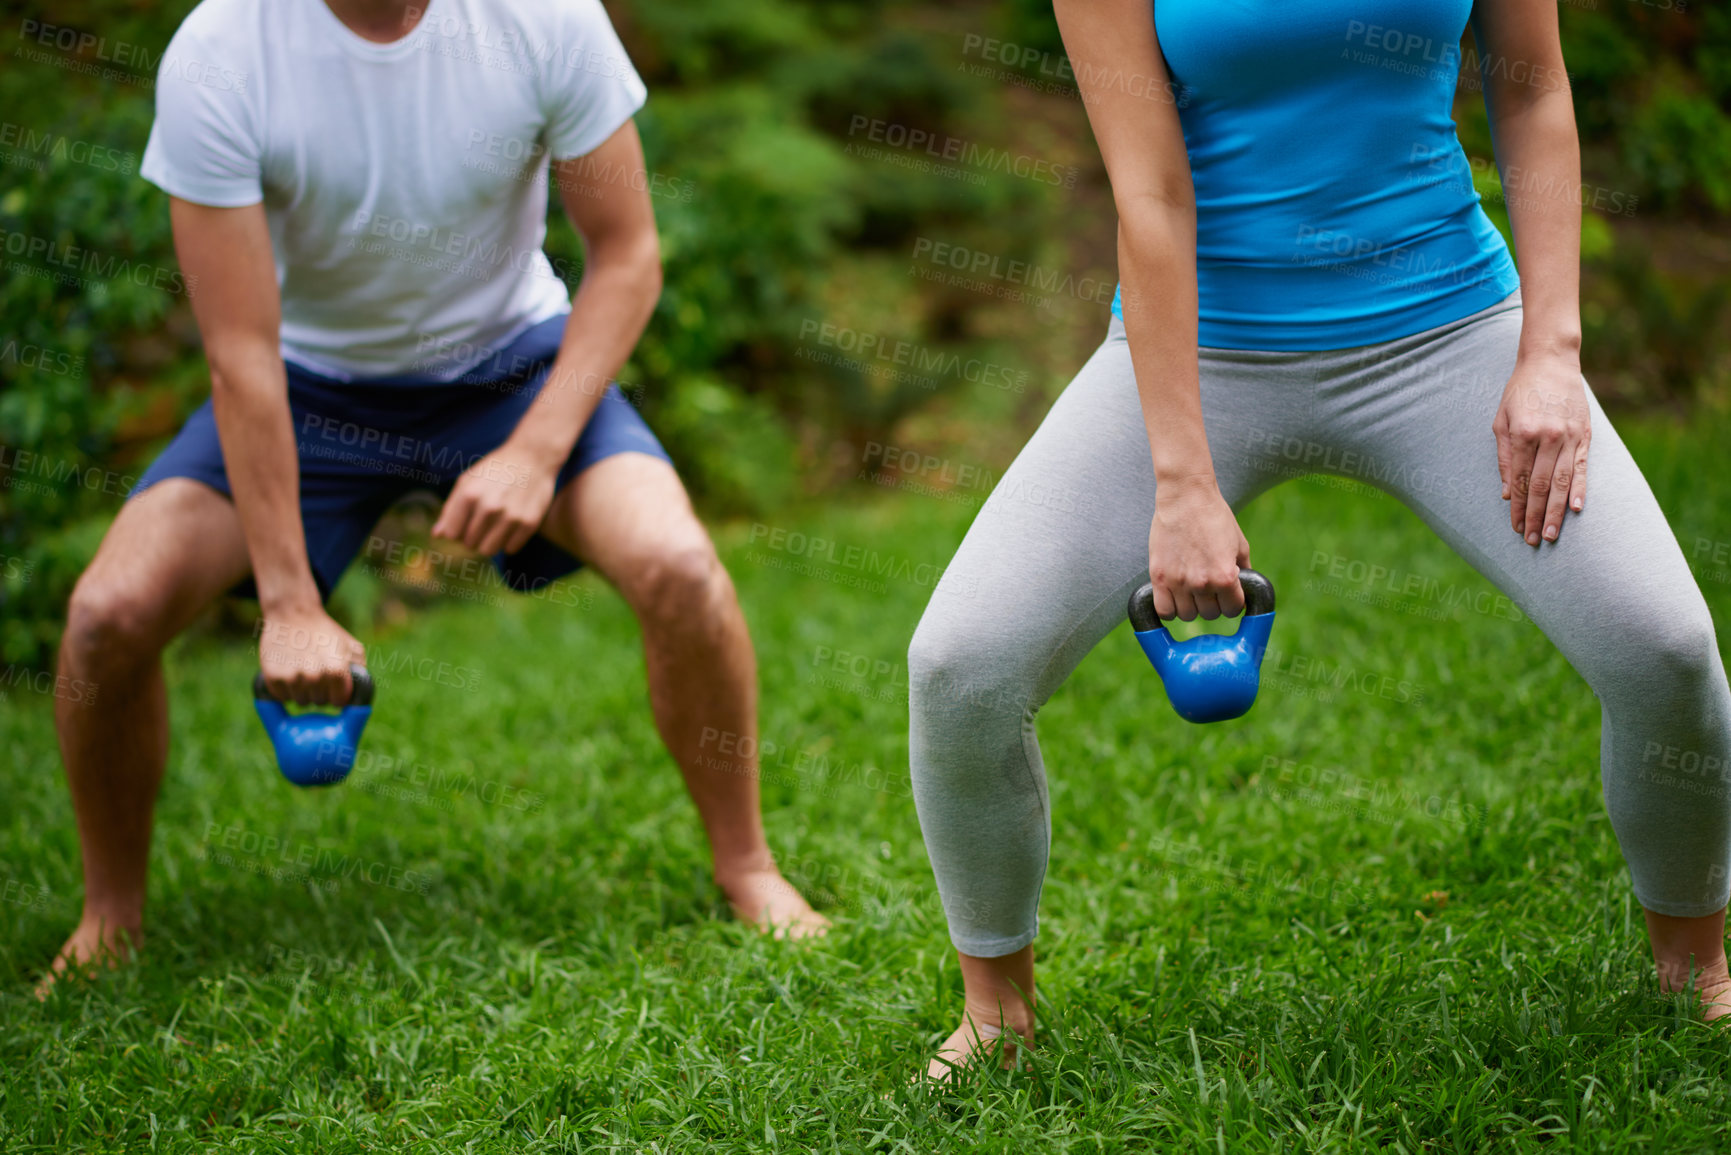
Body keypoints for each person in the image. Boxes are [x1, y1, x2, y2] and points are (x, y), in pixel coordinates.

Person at [907, 0, 1731, 1078]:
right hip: (1206, 350)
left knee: (1663, 647)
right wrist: (1181, 474)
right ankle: (996, 1012)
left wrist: (1551, 349)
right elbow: (1148, 194)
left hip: (1448, 328)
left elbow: (1531, 84)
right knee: (960, 664)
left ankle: (1696, 966)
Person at [43, 0, 827, 991]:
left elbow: (628, 256)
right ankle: (109, 915)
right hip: (304, 388)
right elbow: (240, 352)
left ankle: (747, 866)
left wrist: (536, 453)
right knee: (107, 615)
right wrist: (288, 603)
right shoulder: (224, 47)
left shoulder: (543, 17)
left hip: (512, 371)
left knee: (679, 567)